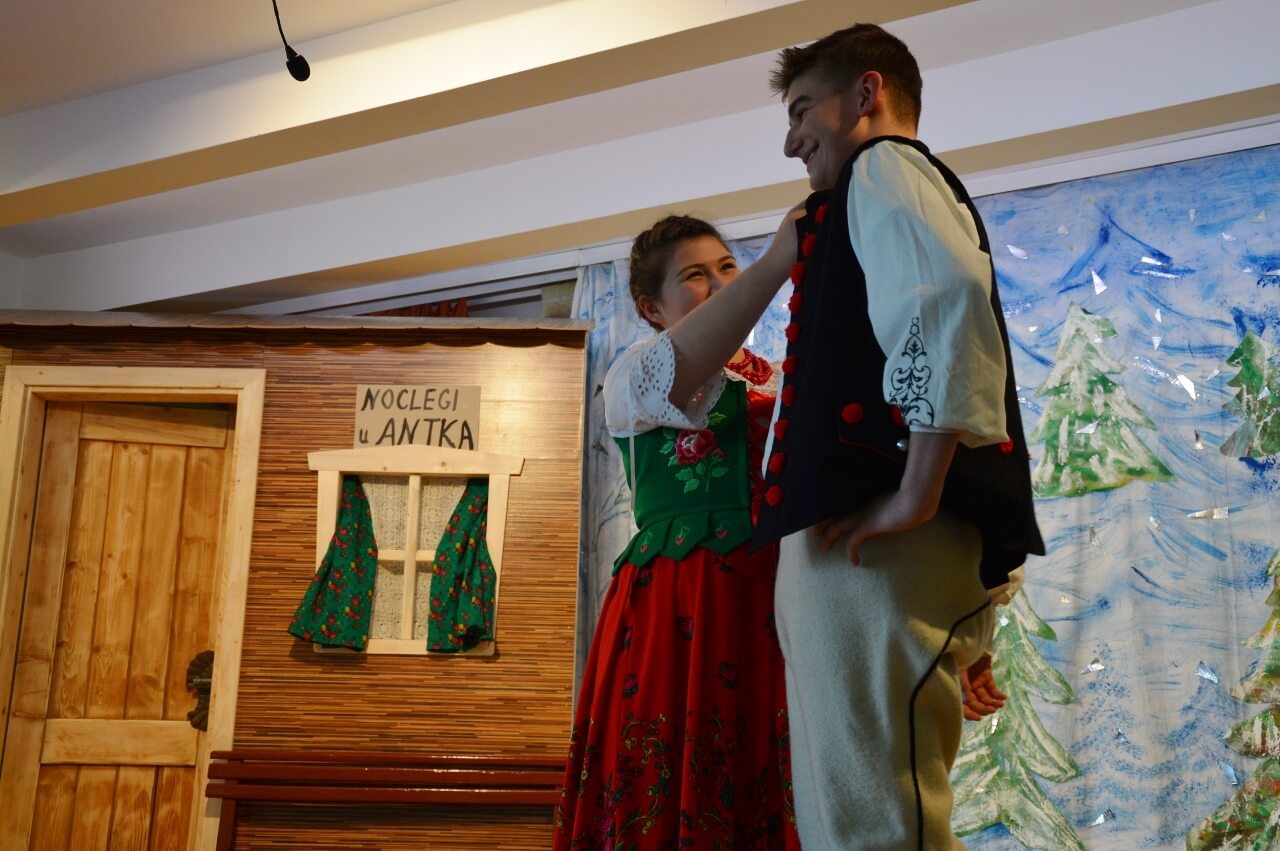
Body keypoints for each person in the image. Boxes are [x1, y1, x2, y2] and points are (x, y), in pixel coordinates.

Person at [747, 23, 1046, 850]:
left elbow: (943, 296)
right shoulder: (865, 191)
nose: (791, 140)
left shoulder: (884, 166)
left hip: (877, 556)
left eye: (802, 109)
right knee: (857, 809)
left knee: (874, 821)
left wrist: (916, 492)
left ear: (867, 93)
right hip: (866, 554)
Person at [554, 215, 802, 850]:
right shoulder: (634, 374)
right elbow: (687, 364)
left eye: (727, 267)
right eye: (694, 275)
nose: (719, 284)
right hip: (679, 601)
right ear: (650, 307)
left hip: (777, 598)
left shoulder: (778, 377)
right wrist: (778, 260)